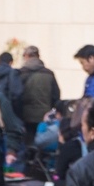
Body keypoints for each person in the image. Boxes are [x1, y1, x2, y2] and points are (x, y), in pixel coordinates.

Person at [16, 46, 60, 175]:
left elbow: (15, 95)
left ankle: (27, 172)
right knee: (42, 147)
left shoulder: (21, 73)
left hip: (26, 117)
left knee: (27, 146)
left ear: (27, 56)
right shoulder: (49, 74)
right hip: (44, 117)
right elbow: (56, 96)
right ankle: (41, 171)